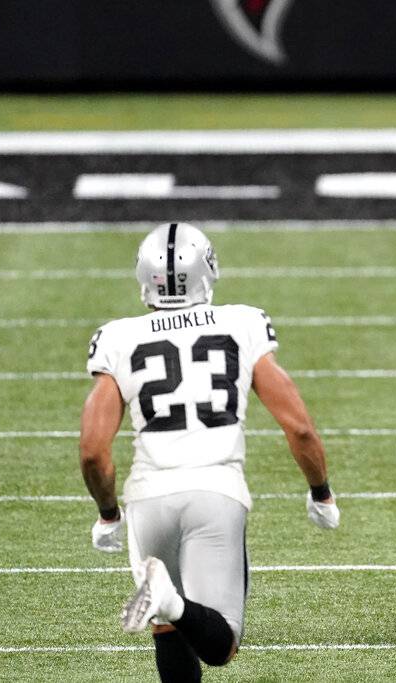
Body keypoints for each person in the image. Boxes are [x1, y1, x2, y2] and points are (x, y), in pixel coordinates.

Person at [80, 222, 340, 682]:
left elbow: (92, 452)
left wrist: (108, 515)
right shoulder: (242, 322)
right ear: (208, 270)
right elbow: (298, 427)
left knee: (169, 629)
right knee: (221, 643)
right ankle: (172, 599)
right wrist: (320, 491)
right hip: (216, 491)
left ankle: (168, 600)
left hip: (148, 497)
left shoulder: (118, 336)